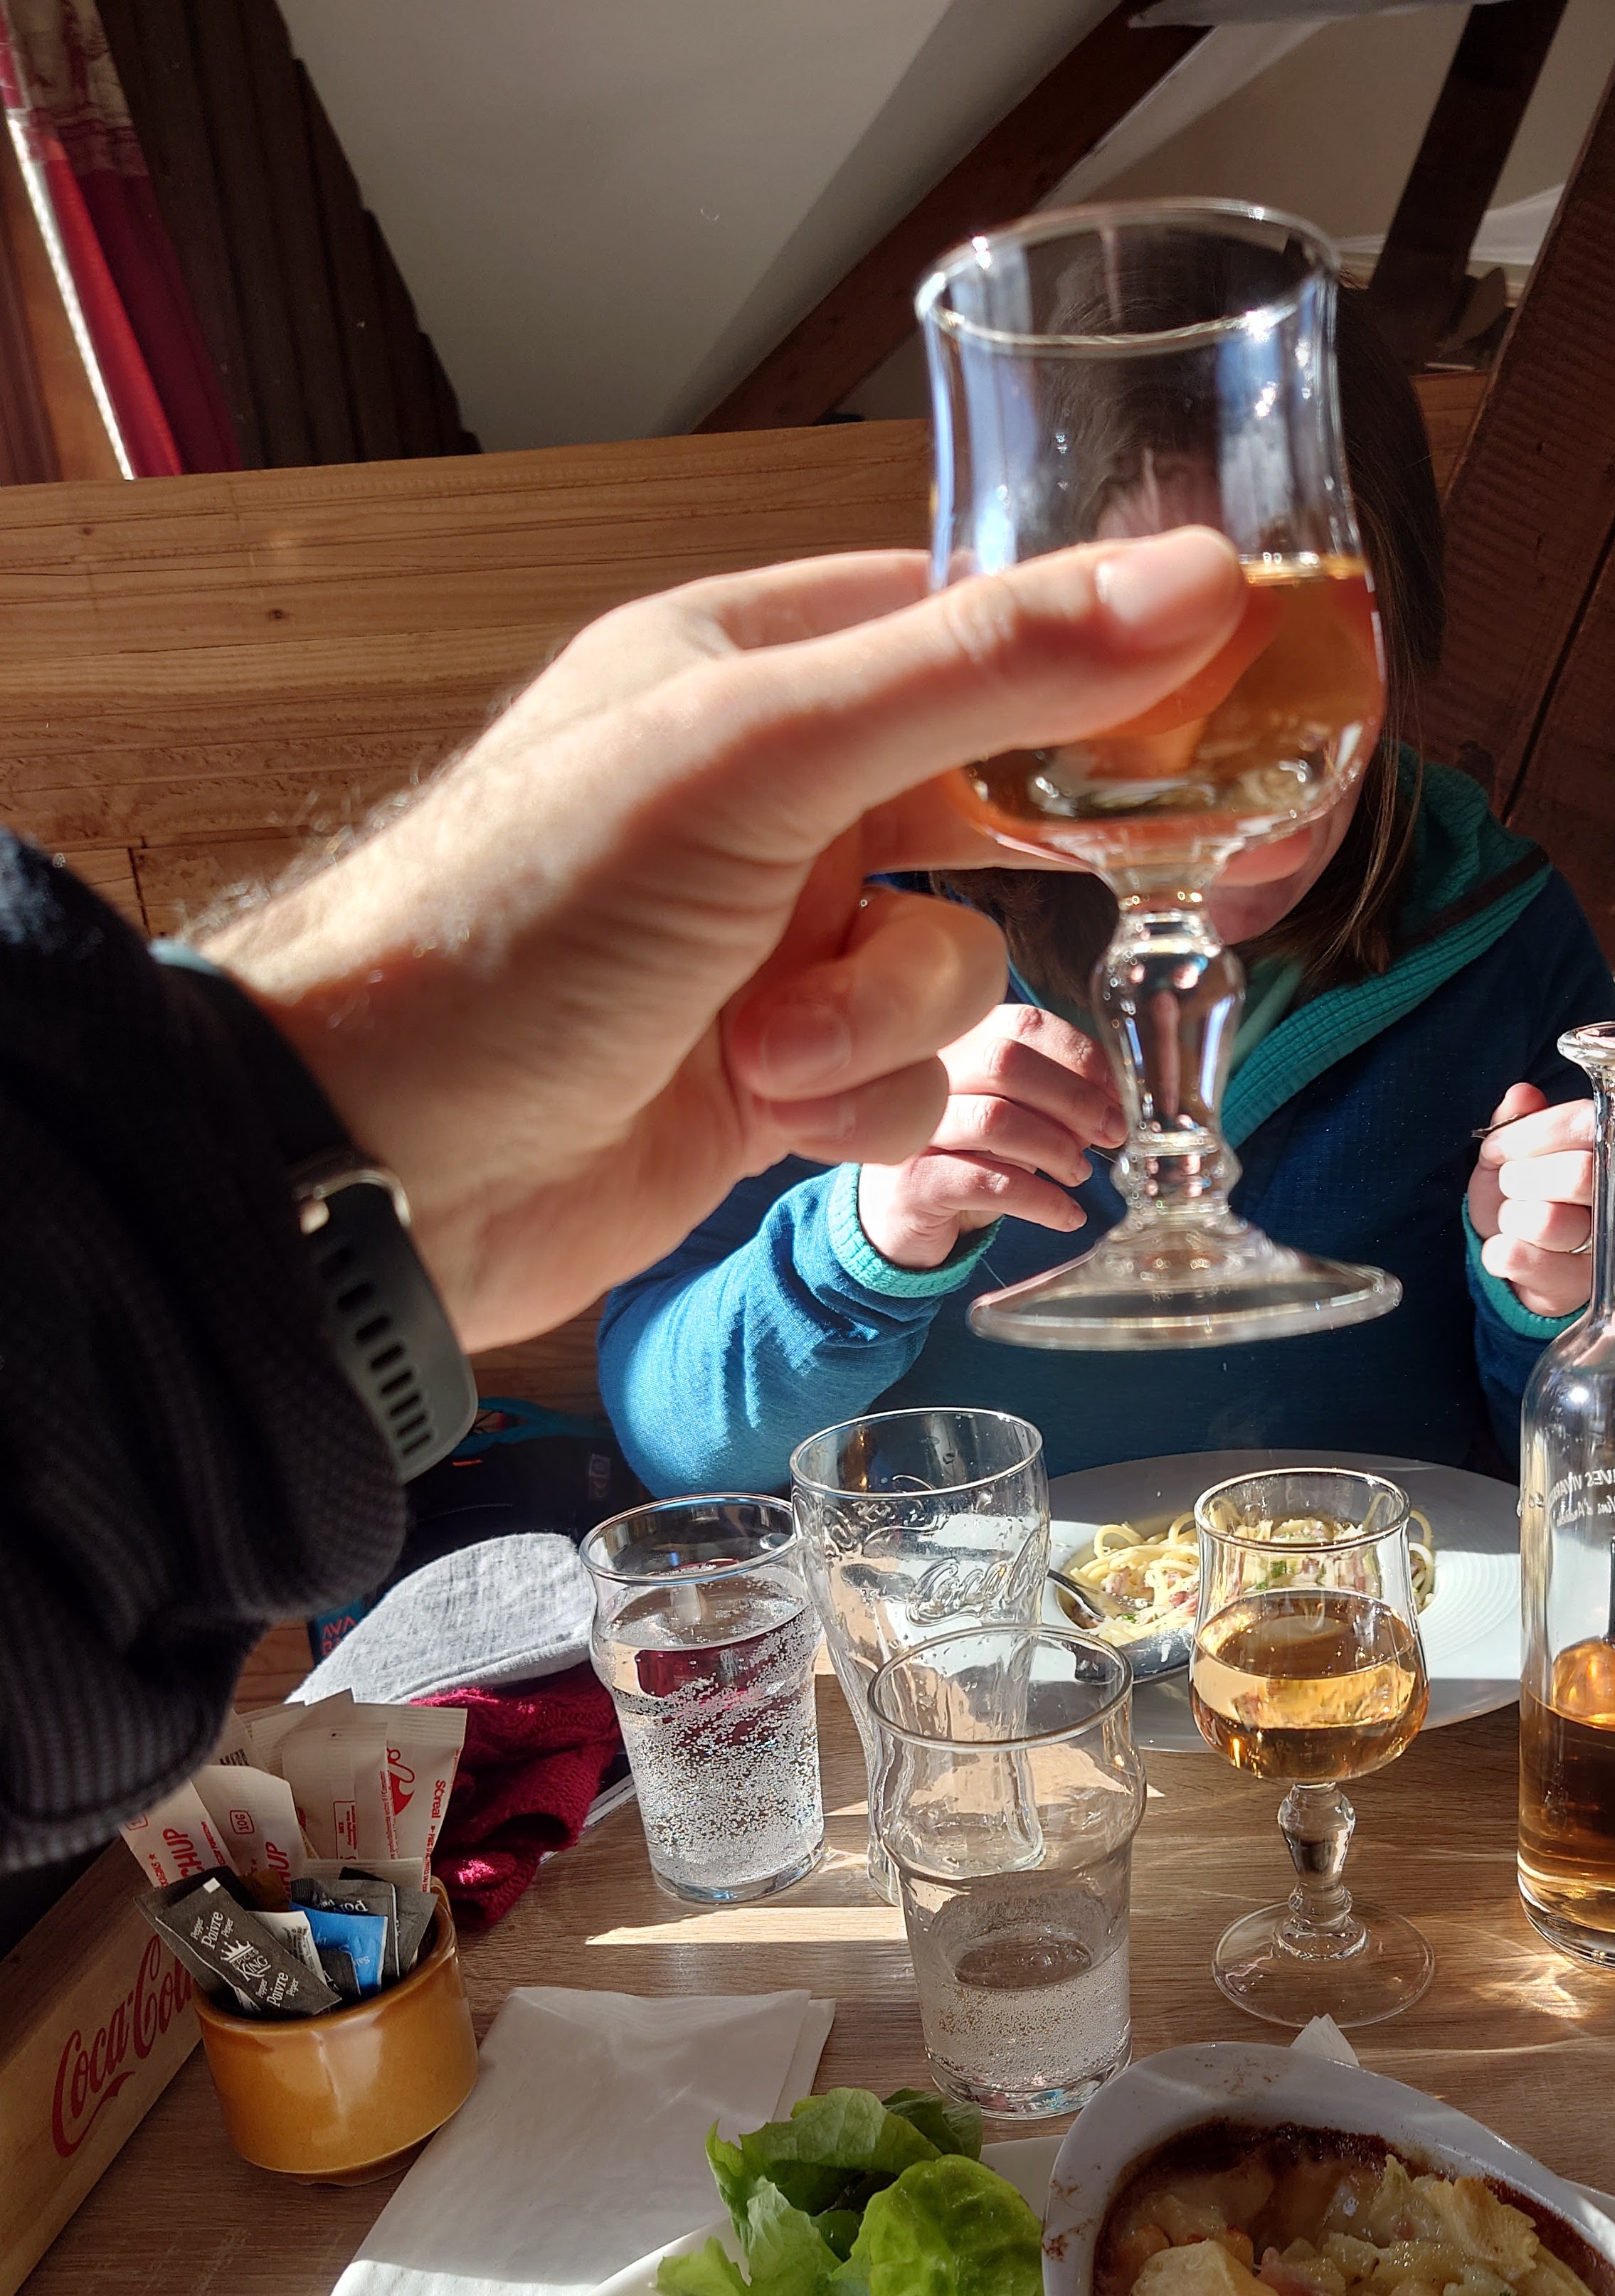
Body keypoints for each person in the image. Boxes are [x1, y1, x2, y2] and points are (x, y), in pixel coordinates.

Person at [0, 525, 1272, 1872]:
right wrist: (859, 1244)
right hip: (961, 1734)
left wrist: (296, 1124)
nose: (1199, 703)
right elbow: (675, 1440)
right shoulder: (821, 928)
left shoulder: (1467, 953)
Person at [598, 296, 1615, 1497]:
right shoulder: (862, 911)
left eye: (1280, 635)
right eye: (1137, 648)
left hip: (1380, 1605)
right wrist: (864, 1235)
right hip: (966, 1616)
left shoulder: (1505, 929)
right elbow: (677, 1447)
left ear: (1386, 629)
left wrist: (1566, 1310)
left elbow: (1603, 1483)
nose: (1213, 726)